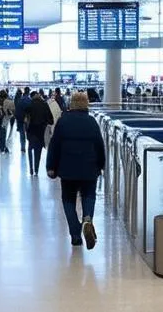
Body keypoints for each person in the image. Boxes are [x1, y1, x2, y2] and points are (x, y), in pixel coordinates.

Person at [47, 90, 106, 248]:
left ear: (70, 104)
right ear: (86, 104)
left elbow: (54, 145)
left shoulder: (63, 122)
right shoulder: (92, 122)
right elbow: (100, 146)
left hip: (67, 169)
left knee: (68, 199)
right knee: (88, 195)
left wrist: (51, 166)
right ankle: (87, 220)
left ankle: (75, 234)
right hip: (89, 168)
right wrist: (101, 165)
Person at [25, 90, 53, 177]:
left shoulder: (29, 105)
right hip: (41, 132)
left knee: (30, 149)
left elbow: (26, 120)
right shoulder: (45, 105)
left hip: (31, 132)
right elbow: (51, 120)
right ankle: (36, 170)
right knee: (38, 152)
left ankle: (31, 169)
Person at [14, 87, 31, 153]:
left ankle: (23, 148)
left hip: (21, 120)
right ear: (29, 92)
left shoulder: (20, 100)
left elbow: (17, 112)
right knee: (29, 134)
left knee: (22, 135)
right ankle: (30, 146)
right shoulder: (30, 100)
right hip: (28, 120)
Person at [0, 89, 15, 154]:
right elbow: (13, 111)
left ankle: (2, 148)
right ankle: (4, 148)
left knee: (1, 136)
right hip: (7, 120)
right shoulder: (10, 102)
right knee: (6, 135)